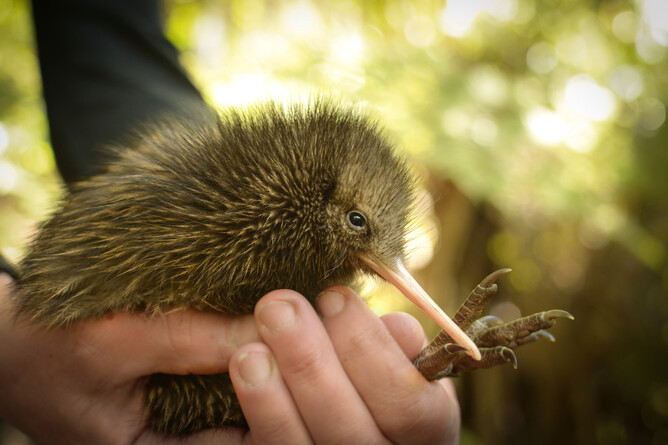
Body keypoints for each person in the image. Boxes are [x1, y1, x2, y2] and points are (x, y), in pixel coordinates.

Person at [0, 0, 461, 443]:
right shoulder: (250, 235)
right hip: (118, 350)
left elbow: (106, 32)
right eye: (357, 222)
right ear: (316, 200)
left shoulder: (278, 240)